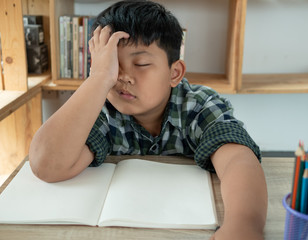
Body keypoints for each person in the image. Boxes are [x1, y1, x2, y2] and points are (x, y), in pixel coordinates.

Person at [29, 1, 268, 239]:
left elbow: (238, 159)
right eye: (111, 65)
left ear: (174, 73)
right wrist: (98, 78)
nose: (122, 76)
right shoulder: (99, 108)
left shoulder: (198, 105)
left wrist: (244, 224)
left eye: (141, 64)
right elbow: (47, 165)